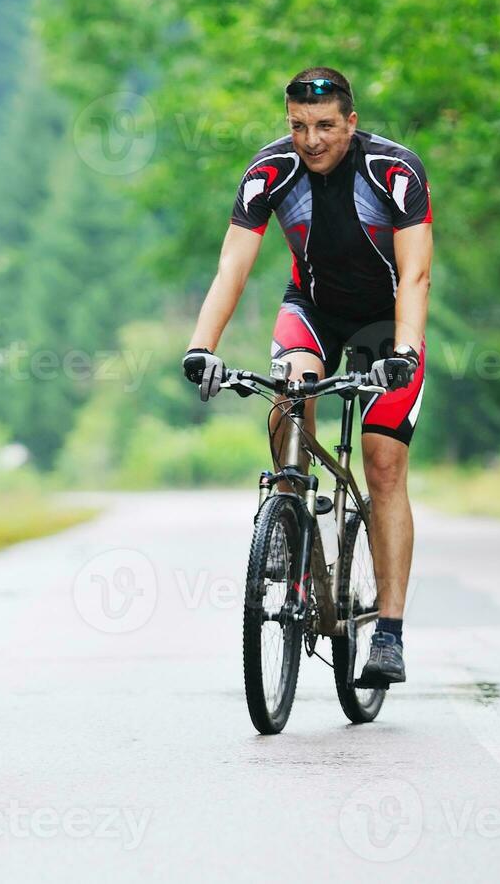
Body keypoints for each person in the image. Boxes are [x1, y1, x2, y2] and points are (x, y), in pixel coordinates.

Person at [182, 68, 433, 687]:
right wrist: (200, 347)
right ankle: (290, 514)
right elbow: (231, 268)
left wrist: (403, 348)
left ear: (351, 121)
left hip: (385, 320)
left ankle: (391, 632)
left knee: (382, 465)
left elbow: (417, 276)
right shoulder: (271, 171)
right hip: (313, 309)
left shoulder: (394, 171)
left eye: (325, 126)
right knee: (287, 398)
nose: (311, 140)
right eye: (298, 126)